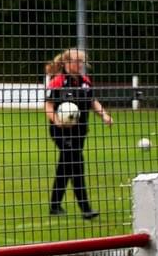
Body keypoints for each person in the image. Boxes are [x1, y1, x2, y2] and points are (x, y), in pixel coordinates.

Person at [45, 48, 112, 218]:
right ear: (66, 63)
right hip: (61, 131)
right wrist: (57, 121)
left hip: (80, 131)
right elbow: (49, 106)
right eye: (76, 61)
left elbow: (92, 101)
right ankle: (85, 208)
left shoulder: (85, 82)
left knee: (65, 166)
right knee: (77, 164)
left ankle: (54, 205)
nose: (79, 64)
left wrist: (104, 115)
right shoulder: (58, 81)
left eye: (81, 61)